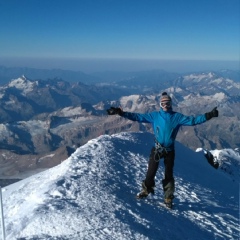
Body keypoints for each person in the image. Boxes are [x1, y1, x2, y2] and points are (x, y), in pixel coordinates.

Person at [106, 92, 218, 208]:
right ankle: (146, 190)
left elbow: (193, 120)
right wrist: (121, 113)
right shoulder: (155, 116)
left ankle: (168, 197)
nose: (166, 106)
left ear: (171, 104)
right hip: (158, 149)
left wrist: (209, 115)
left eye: (168, 103)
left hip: (169, 150)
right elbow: (138, 117)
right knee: (151, 171)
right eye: (163, 103)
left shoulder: (177, 117)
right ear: (160, 104)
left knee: (168, 174)